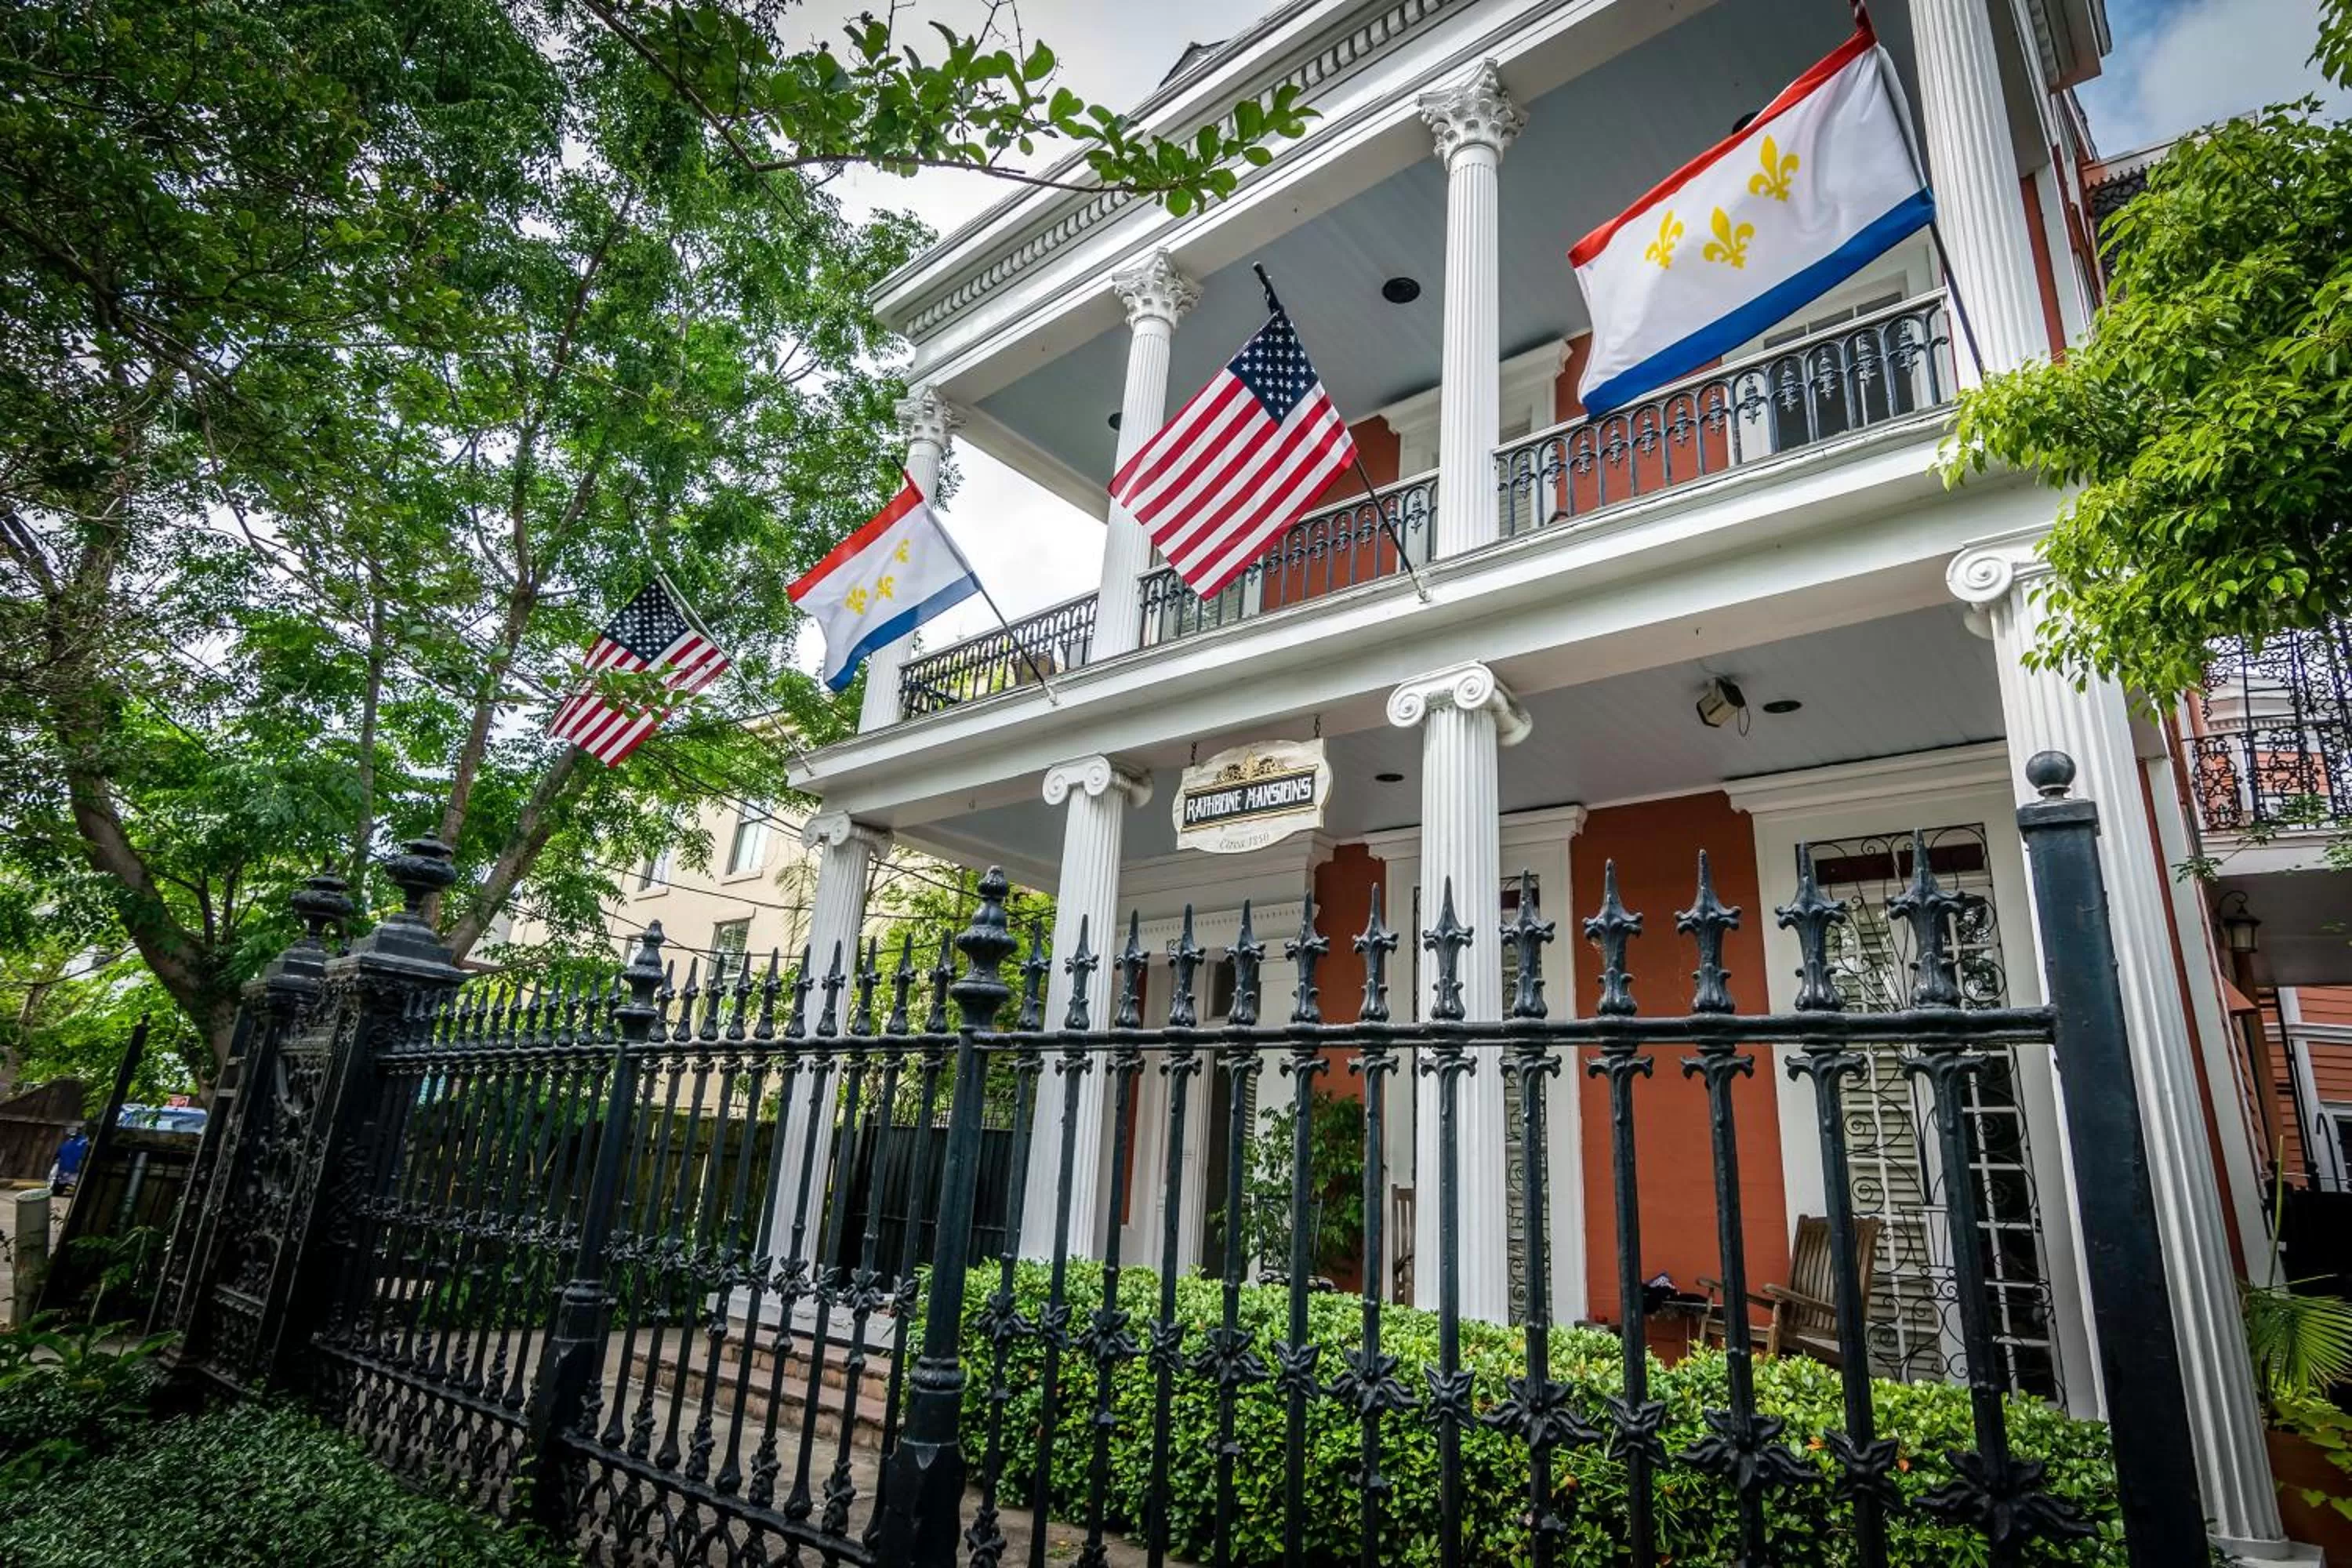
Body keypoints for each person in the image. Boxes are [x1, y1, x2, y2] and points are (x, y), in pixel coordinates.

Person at [48, 1125, 88, 1196]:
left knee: (57, 1189)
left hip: (68, 1171)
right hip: (70, 1171)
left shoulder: (67, 1144)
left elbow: (57, 1156)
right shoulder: (68, 1143)